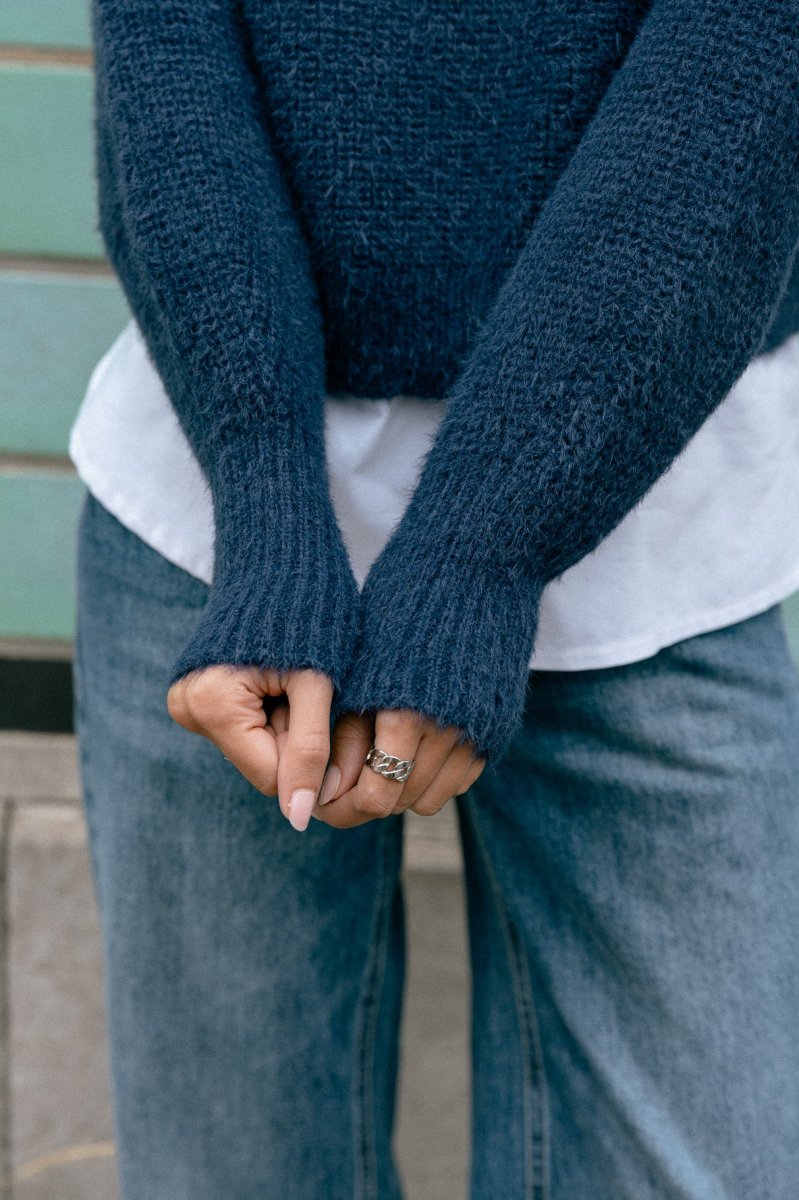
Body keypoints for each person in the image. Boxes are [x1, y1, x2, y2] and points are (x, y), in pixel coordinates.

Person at [70, 1, 799, 1196]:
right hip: (214, 502)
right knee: (226, 1170)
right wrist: (266, 503)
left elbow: (744, 65)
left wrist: (482, 549)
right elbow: (163, 35)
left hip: (650, 516)